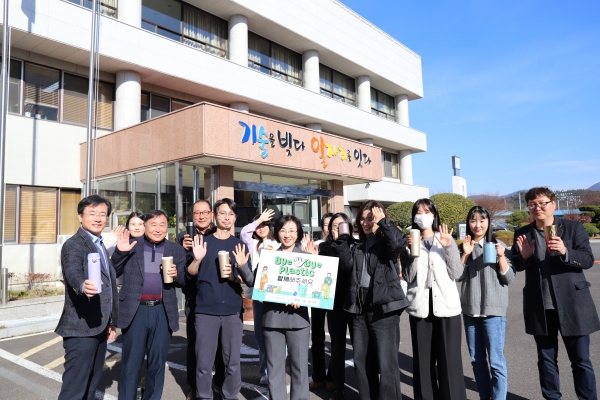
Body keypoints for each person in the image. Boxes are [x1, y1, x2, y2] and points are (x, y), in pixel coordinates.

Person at [512, 187, 599, 400]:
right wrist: (524, 257)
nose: (538, 208)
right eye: (533, 204)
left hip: (573, 303)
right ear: (529, 209)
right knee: (546, 359)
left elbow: (587, 259)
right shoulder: (522, 233)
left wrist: (565, 252)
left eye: (542, 203)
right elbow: (517, 265)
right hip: (540, 305)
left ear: (553, 205)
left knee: (580, 360)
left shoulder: (572, 229)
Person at [331, 200, 408, 400]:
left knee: (386, 363)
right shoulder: (357, 245)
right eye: (363, 219)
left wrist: (384, 223)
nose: (366, 223)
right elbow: (345, 267)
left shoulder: (387, 243)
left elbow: (399, 243)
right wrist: (342, 241)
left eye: (371, 218)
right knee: (362, 362)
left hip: (383, 308)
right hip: (358, 308)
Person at [236, 214, 314, 400]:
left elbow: (316, 292)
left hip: (299, 321)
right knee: (275, 369)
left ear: (298, 234)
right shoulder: (269, 256)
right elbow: (254, 281)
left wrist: (303, 298)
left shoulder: (308, 258)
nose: (287, 234)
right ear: (277, 233)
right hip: (272, 320)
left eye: (291, 231)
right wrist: (242, 266)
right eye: (283, 230)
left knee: (300, 369)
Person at [111, 209, 186, 400]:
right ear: (145, 226)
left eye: (162, 225)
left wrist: (177, 275)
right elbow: (112, 271)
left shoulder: (175, 249)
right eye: (154, 224)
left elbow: (185, 280)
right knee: (131, 364)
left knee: (157, 364)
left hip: (162, 310)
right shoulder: (132, 246)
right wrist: (120, 251)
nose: (158, 229)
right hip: (135, 311)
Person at [401, 198, 467, 400]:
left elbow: (457, 273)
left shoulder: (445, 238)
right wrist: (413, 252)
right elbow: (410, 276)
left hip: (446, 307)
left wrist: (448, 247)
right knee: (423, 360)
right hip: (420, 307)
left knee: (450, 361)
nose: (422, 215)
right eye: (418, 212)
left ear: (434, 215)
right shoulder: (409, 242)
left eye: (427, 211)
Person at [55, 195, 118, 400]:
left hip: (99, 326)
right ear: (80, 217)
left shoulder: (100, 244)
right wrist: (83, 285)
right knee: (75, 389)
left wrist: (111, 322)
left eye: (102, 214)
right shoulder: (74, 244)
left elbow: (109, 285)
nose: (98, 218)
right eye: (92, 213)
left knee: (91, 386)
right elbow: (73, 272)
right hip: (81, 328)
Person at [186, 198, 249, 400]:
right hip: (205, 311)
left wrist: (237, 271)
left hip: (232, 310)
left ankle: (230, 395)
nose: (227, 217)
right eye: (222, 213)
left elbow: (245, 280)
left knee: (232, 362)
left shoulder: (240, 245)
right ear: (215, 215)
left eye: (231, 214)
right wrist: (197, 258)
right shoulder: (203, 242)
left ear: (235, 218)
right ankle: (204, 396)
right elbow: (190, 273)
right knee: (204, 362)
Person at [457, 206, 515, 400]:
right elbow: (457, 276)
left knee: (496, 361)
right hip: (470, 311)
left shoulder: (498, 245)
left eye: (482, 220)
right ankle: (485, 396)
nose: (478, 225)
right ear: (469, 224)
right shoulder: (464, 245)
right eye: (473, 221)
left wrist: (501, 257)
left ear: (488, 222)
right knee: (477, 361)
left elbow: (509, 278)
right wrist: (465, 254)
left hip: (494, 311)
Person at [175, 200, 219, 399]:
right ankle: (193, 385)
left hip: (218, 295)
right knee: (194, 345)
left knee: (221, 344)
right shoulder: (183, 237)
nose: (201, 216)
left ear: (211, 214)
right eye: (197, 213)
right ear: (192, 216)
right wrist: (182, 248)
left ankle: (219, 383)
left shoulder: (219, 233)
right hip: (194, 297)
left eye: (205, 212)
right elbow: (179, 265)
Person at [240, 208, 279, 385]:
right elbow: (243, 232)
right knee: (259, 334)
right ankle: (266, 370)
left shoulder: (278, 242)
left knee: (274, 332)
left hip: (276, 294)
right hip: (258, 293)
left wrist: (274, 254)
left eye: (265, 224)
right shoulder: (252, 244)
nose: (261, 227)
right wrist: (258, 219)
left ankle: (274, 366)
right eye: (259, 225)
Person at [320, 212, 355, 400]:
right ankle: (338, 389)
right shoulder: (325, 247)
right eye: (334, 226)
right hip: (334, 305)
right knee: (337, 349)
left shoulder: (356, 245)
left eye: (342, 225)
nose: (337, 229)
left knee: (360, 349)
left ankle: (364, 387)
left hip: (354, 305)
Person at [309, 212, 334, 392]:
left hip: (337, 298)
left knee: (336, 338)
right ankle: (318, 376)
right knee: (317, 337)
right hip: (318, 296)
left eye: (331, 225)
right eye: (325, 225)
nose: (328, 228)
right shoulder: (317, 245)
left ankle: (332, 376)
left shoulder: (344, 245)